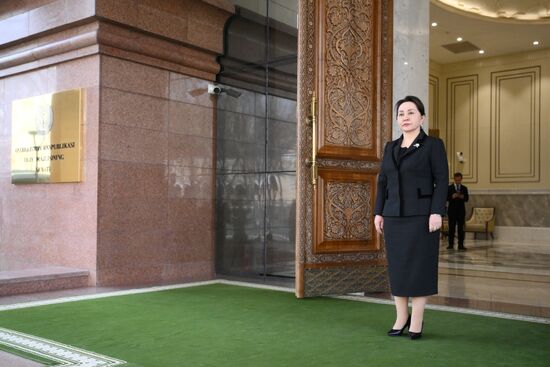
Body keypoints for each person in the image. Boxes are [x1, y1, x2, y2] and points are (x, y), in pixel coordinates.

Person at [374, 96, 449, 340]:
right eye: (401, 113)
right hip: (393, 216)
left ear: (422, 117)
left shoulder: (433, 145)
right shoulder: (390, 147)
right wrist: (378, 211)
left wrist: (437, 211)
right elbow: (382, 181)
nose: (405, 117)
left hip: (422, 217)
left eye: (411, 112)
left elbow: (442, 180)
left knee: (419, 268)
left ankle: (416, 319)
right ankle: (400, 316)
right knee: (398, 268)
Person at [447, 172, 469, 250]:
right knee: (451, 228)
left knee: (461, 229)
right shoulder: (449, 188)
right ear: (454, 179)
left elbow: (467, 199)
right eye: (456, 180)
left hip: (461, 211)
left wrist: (462, 196)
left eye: (459, 180)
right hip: (452, 211)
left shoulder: (464, 188)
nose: (458, 181)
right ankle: (450, 244)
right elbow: (446, 198)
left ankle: (461, 245)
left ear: (461, 179)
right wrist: (452, 196)